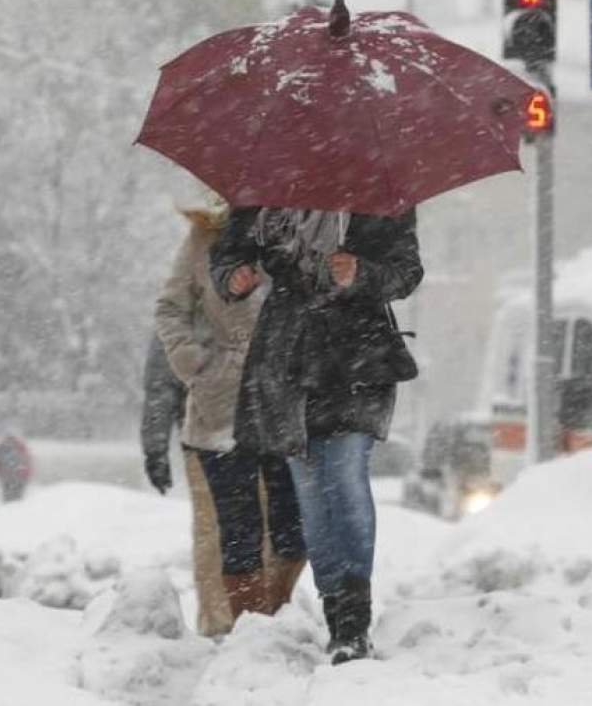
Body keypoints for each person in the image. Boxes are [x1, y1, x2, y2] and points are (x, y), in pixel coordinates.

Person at [211, 206, 422, 664]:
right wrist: (234, 277)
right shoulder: (265, 188)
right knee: (310, 489)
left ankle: (354, 620)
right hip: (287, 358)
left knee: (344, 476)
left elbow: (406, 271)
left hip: (359, 355)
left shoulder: (376, 190)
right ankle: (336, 613)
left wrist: (361, 273)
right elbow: (226, 255)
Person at [152, 196, 308, 633]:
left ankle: (271, 617)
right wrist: (194, 362)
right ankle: (242, 631)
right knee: (235, 530)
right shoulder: (208, 235)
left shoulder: (307, 228)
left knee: (293, 529)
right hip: (221, 400)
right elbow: (170, 308)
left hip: (290, 397)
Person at [0, 432, 32, 502]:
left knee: (7, 496)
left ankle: (8, 509)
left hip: (6, 476)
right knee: (18, 497)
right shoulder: (20, 446)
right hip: (20, 476)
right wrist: (26, 475)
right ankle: (16, 509)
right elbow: (27, 461)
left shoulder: (1, 447)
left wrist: (0, 474)